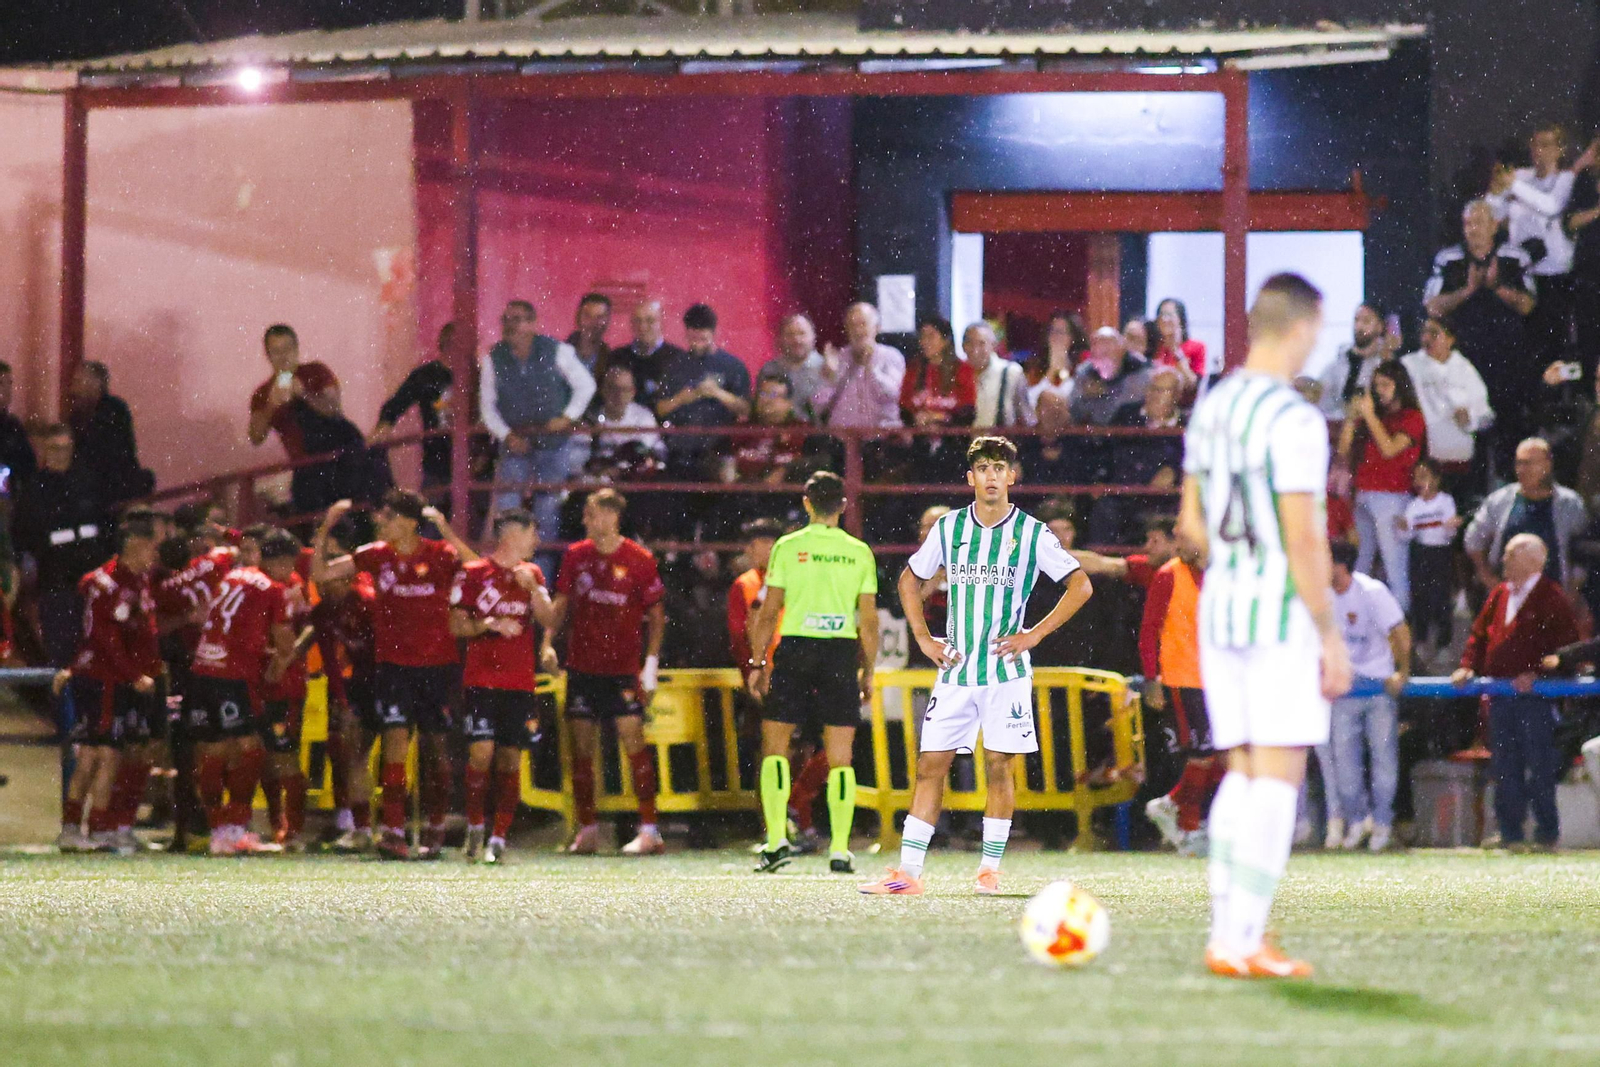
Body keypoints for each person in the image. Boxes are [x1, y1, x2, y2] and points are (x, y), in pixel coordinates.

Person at [1177, 272, 1353, 979]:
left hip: (1220, 606)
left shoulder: (1212, 406)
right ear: (1304, 327)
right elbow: (1304, 535)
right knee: (1278, 774)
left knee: (1243, 771)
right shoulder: (1295, 417)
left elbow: (1190, 524)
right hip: (1278, 611)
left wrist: (1239, 563)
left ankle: (1232, 930)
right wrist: (1329, 632)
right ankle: (1242, 937)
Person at [860, 435, 1094, 896]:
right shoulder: (948, 529)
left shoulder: (1031, 533)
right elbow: (909, 581)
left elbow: (1080, 586)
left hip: (1005, 672)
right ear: (970, 478)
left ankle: (989, 870)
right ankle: (907, 874)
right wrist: (923, 638)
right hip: (955, 670)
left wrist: (1034, 634)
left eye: (999, 467)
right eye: (982, 468)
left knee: (998, 766)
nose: (991, 475)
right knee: (930, 765)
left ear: (1012, 476)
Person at [313, 489, 478, 860]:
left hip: (437, 668)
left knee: (437, 753)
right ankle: (393, 832)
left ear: (405, 521)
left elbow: (479, 568)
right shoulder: (376, 555)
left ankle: (435, 830)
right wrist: (326, 527)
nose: (379, 522)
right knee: (394, 748)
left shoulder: (439, 554)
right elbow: (322, 573)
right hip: (393, 669)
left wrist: (446, 530)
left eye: (386, 517)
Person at [745, 472, 879, 875]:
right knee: (841, 757)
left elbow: (769, 611)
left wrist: (757, 663)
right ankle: (839, 849)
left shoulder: (788, 546)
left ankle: (775, 842)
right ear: (842, 505)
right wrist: (867, 671)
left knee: (775, 748)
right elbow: (868, 621)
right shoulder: (858, 551)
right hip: (839, 651)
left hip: (798, 647)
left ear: (806, 503)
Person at [540, 489, 667, 855]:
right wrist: (548, 642)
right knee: (581, 749)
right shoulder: (576, 556)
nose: (586, 521)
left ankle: (649, 829)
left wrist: (651, 665)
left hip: (623, 669)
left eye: (592, 514)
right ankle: (588, 828)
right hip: (582, 667)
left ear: (612, 516)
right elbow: (561, 603)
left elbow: (657, 616)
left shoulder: (640, 559)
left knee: (634, 744)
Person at [1453, 534, 1579, 850]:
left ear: (1533, 559)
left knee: (1539, 764)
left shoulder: (1552, 596)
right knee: (1504, 764)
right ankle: (1510, 833)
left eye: (1510, 554)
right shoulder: (1499, 593)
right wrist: (1467, 665)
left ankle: (1546, 833)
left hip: (1535, 698)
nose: (1504, 559)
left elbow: (1567, 649)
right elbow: (1479, 636)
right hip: (1500, 695)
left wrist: (1538, 672)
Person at [185, 529, 303, 856]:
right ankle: (234, 828)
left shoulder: (233, 576)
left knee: (213, 749)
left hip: (202, 667)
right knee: (250, 747)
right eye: (288, 564)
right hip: (232, 675)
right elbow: (284, 642)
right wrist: (279, 663)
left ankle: (218, 829)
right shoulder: (275, 589)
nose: (290, 572)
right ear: (279, 561)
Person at [448, 508, 555, 864]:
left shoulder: (533, 574)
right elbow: (456, 625)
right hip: (481, 679)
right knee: (481, 753)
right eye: (531, 534)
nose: (536, 541)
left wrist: (536, 590)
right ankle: (476, 824)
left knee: (510, 758)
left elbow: (549, 619)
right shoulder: (474, 573)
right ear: (513, 535)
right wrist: (489, 624)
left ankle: (498, 837)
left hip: (519, 682)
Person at [54, 514, 160, 853]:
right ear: (138, 545)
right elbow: (103, 637)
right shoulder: (112, 583)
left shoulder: (123, 581)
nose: (153, 556)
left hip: (104, 676)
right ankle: (90, 829)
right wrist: (133, 675)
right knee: (102, 756)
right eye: (150, 548)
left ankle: (86, 828)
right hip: (106, 679)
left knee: (101, 754)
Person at [1424, 200, 1538, 469]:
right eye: (1467, 223)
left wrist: (1497, 287)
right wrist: (1467, 291)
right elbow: (1431, 306)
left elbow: (1529, 305)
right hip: (1463, 362)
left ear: (1494, 225)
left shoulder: (1515, 256)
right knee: (1465, 437)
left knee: (1508, 436)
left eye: (1479, 222)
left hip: (1507, 361)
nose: (1472, 229)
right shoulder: (1448, 258)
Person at [479, 299, 597, 543]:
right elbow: (487, 406)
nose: (511, 326)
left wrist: (567, 417)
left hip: (554, 443)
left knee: (548, 511)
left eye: (518, 320)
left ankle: (542, 571)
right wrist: (507, 435)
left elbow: (586, 385)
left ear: (533, 324)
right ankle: (509, 568)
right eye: (507, 320)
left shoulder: (557, 351)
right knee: (508, 509)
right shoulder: (494, 358)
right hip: (515, 442)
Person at [1487, 126, 1598, 363]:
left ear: (1560, 150)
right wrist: (1495, 192)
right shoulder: (1520, 176)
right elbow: (1494, 214)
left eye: (1546, 145)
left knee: (1554, 348)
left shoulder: (1565, 179)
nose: (1539, 151)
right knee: (1521, 347)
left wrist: (1512, 187)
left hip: (1554, 278)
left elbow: (1551, 206)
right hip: (1521, 275)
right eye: (1535, 144)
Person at [1327, 541, 1410, 853]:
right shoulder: (1322, 597)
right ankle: (1358, 818)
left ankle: (1384, 823)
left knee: (1383, 759)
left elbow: (1399, 630)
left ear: (1340, 565)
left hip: (1377, 687)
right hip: (1344, 689)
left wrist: (1401, 671)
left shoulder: (1372, 591)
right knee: (1343, 765)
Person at [1139, 548, 1218, 856]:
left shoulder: (1222, 571)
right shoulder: (1169, 575)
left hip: (1217, 678)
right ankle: (1189, 826)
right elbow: (1149, 629)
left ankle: (1172, 806)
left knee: (1218, 755)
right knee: (1201, 753)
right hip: (1183, 677)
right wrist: (1151, 678)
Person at [15, 424, 114, 667]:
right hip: (56, 586)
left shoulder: (90, 484)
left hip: (92, 585)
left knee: (97, 654)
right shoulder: (33, 491)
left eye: (66, 448)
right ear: (44, 451)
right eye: (55, 449)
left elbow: (107, 527)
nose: (61, 454)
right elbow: (23, 536)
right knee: (63, 659)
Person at [247, 324, 370, 515]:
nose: (283, 357)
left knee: (355, 514)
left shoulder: (316, 371)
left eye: (287, 349)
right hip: (306, 469)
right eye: (276, 351)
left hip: (339, 460)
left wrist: (304, 393)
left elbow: (334, 408)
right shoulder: (263, 393)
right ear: (268, 355)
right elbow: (255, 436)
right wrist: (271, 405)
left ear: (296, 349)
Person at [309, 528, 379, 853]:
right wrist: (343, 698)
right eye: (320, 583)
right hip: (360, 683)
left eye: (330, 582)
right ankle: (357, 826)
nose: (323, 588)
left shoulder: (367, 602)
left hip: (389, 679)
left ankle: (390, 828)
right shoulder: (323, 611)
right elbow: (331, 661)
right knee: (352, 753)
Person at [1339, 361, 1426, 610]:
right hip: (1364, 494)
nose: (1379, 391)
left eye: (1386, 385)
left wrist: (1369, 415)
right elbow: (1344, 451)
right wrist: (1351, 418)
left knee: (1394, 567)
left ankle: (1401, 635)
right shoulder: (1374, 416)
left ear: (1400, 386)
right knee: (1360, 566)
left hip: (1393, 496)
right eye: (1376, 385)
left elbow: (1389, 449)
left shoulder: (1412, 417)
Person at [1464, 437, 1588, 591]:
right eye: (1519, 463)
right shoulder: (1499, 501)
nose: (1522, 469)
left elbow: (1581, 555)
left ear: (1547, 465)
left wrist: (1572, 593)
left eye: (1529, 463)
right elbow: (1473, 540)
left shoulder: (1571, 504)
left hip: (1553, 598)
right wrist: (1487, 576)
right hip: (1507, 596)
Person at [1399, 316, 1494, 497]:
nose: (1426, 338)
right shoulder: (1409, 365)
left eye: (1434, 333)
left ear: (1451, 339)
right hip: (1423, 463)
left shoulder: (1465, 369)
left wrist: (1470, 418)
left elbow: (1487, 416)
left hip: (1459, 463)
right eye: (1424, 333)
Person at [655, 303, 752, 477]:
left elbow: (746, 408)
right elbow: (660, 409)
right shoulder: (675, 365)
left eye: (703, 339)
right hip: (681, 448)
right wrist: (681, 399)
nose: (697, 344)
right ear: (685, 333)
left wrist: (717, 393)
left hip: (721, 448)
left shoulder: (732, 366)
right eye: (693, 339)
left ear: (714, 333)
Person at [373, 321, 456, 491]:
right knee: (435, 511)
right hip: (438, 462)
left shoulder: (478, 375)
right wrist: (384, 426)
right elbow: (396, 404)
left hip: (466, 463)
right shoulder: (426, 375)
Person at [1398, 458, 1461, 668]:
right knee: (1421, 597)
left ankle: (1444, 644)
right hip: (1422, 554)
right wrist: (1404, 526)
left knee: (1441, 597)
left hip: (1441, 553)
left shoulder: (1445, 501)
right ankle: (1422, 642)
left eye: (1424, 476)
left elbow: (1450, 533)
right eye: (1416, 477)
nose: (1419, 481)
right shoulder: (1413, 506)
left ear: (1436, 479)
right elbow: (1405, 536)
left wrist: (1452, 526)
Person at [900, 317, 976, 479]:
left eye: (931, 336)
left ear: (945, 339)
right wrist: (916, 418)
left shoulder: (962, 369)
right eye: (922, 337)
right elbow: (904, 406)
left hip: (953, 448)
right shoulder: (914, 369)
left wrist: (939, 418)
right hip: (920, 448)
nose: (924, 342)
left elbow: (968, 410)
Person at [67, 361, 152, 503]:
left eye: (78, 382)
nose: (72, 389)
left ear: (96, 384)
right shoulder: (76, 417)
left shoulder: (115, 411)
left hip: (113, 488)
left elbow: (109, 455)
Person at [811, 303, 906, 430]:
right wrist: (831, 377)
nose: (857, 330)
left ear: (877, 328)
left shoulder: (891, 356)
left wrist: (870, 368)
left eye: (863, 324)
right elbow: (817, 407)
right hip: (842, 437)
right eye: (852, 325)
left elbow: (893, 396)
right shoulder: (838, 358)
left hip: (882, 436)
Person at [1307, 303, 1392, 420]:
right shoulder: (1338, 363)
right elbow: (1320, 397)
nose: (1359, 326)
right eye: (1356, 320)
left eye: (1366, 321)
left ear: (1380, 327)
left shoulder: (1383, 364)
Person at [1069, 326, 1152, 428]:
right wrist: (1085, 397)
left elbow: (1127, 409)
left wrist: (1105, 393)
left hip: (1129, 435)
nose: (1101, 349)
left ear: (1121, 348)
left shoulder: (1139, 369)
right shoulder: (1084, 372)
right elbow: (1072, 412)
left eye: (1107, 344)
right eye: (1096, 345)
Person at [609, 299, 685, 406]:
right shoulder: (617, 357)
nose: (643, 327)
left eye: (650, 321)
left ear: (662, 323)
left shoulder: (678, 358)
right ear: (631, 324)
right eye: (638, 321)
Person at [759, 313, 827, 421]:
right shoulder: (769, 369)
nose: (796, 340)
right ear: (780, 338)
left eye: (802, 333)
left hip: (816, 435)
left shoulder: (826, 369)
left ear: (814, 336)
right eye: (790, 334)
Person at [963, 322, 1026, 429]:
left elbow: (1025, 416)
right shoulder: (958, 373)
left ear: (993, 345)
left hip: (997, 443)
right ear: (963, 346)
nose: (975, 349)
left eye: (982, 343)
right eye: (970, 343)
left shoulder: (1011, 372)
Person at [1153, 298, 1206, 395]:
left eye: (1169, 315)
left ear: (1180, 319)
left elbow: (1194, 385)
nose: (1164, 319)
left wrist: (1176, 351)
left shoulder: (1196, 347)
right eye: (1161, 315)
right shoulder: (1154, 347)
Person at [567, 292, 613, 381]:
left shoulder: (611, 360)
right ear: (578, 317)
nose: (593, 323)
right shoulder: (560, 353)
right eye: (587, 316)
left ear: (607, 322)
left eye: (600, 317)